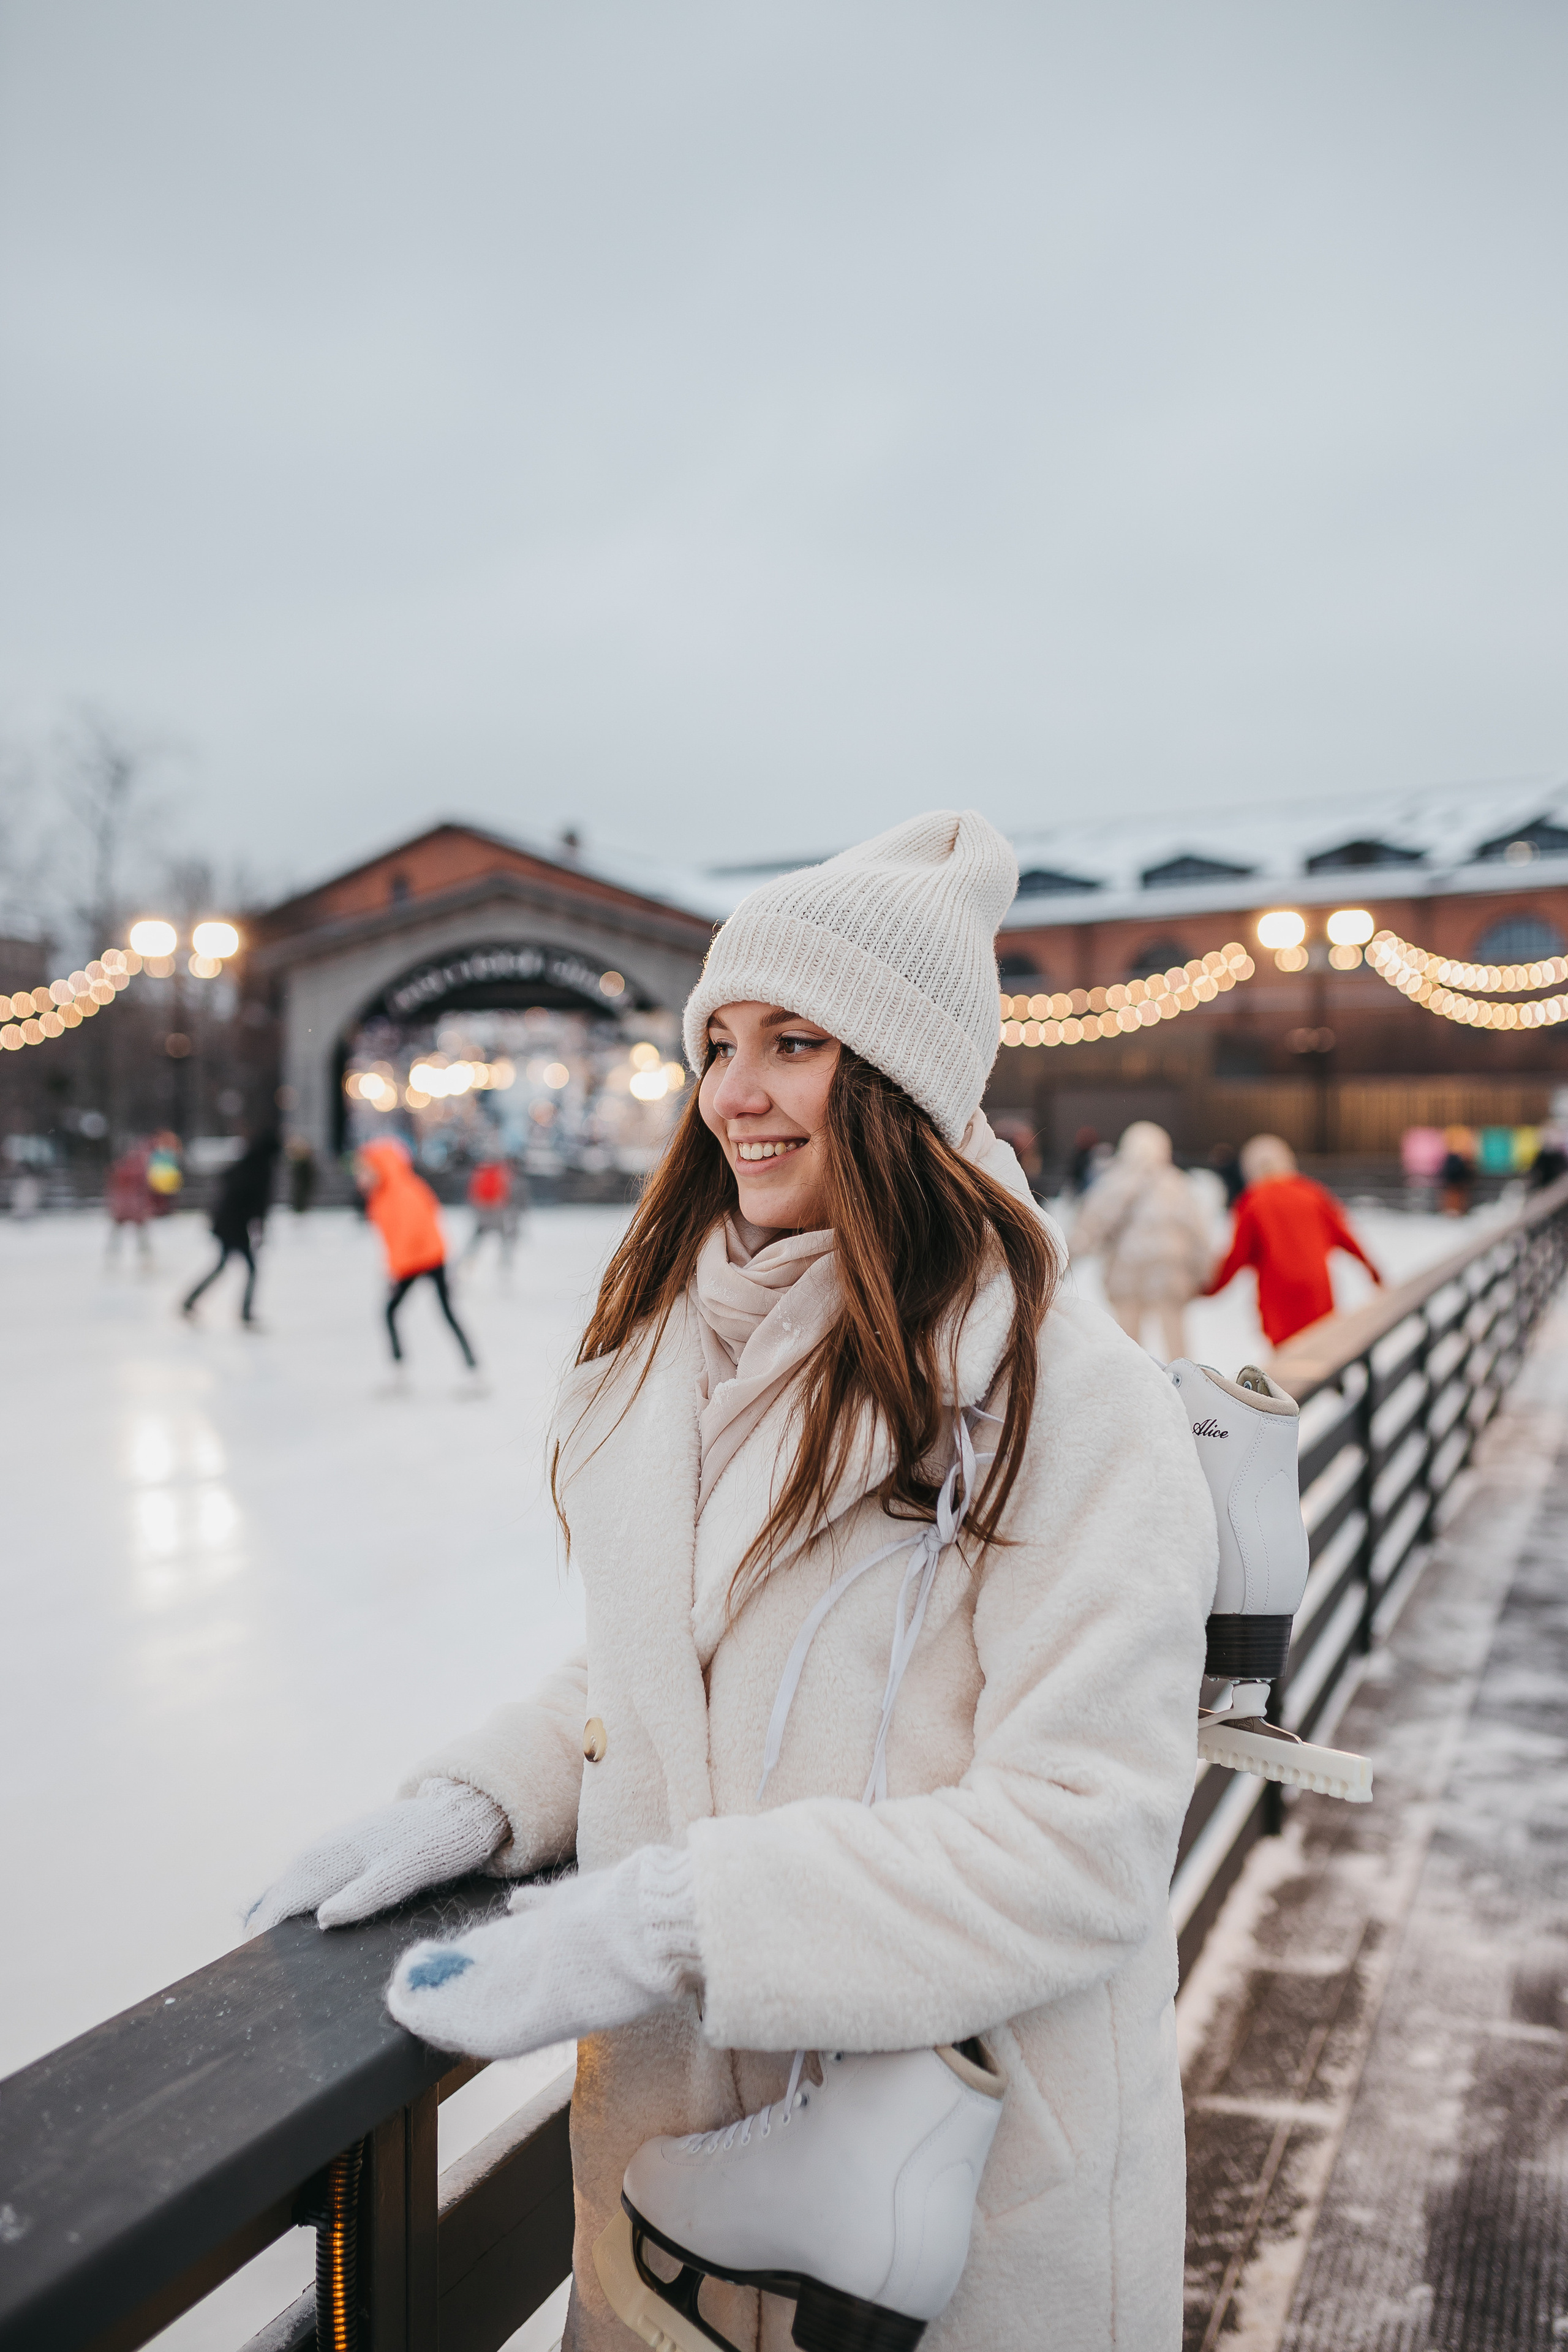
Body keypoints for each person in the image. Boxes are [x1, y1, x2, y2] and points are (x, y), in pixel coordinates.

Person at [247, 813, 1216, 2352]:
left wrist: (675, 1917)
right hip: (672, 2204)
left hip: (960, 2199)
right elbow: (659, 1657)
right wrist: (484, 1801)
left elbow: (1084, 1834)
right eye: (715, 1041)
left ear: (900, 1071)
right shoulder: (673, 1354)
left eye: (792, 1041)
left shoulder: (1061, 1396)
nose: (733, 1094)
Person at [1204, 1133, 1382, 1350]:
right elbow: (1346, 1236)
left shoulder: (1251, 1202)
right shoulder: (1313, 1193)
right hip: (1319, 1298)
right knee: (1323, 1355)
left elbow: (1237, 1256)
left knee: (1288, 1372)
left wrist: (1210, 1288)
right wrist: (1373, 1271)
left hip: (1280, 1307)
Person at [1069, 1119, 1215, 1362]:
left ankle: (1131, 1391)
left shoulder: (1115, 1182)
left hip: (1127, 1276)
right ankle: (1187, 1389)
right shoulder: (1177, 1184)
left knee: (1130, 1346)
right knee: (1176, 1345)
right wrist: (1203, 1271)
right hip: (1170, 1276)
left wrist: (1066, 1258)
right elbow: (1197, 1232)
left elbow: (1091, 1225)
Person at [357, 1136, 479, 1380]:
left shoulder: (402, 1193)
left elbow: (411, 1233)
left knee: (440, 1313)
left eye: (365, 1170)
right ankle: (401, 1368)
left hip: (427, 1259)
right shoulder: (382, 1196)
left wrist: (395, 1271)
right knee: (397, 1312)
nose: (361, 1176)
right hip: (413, 1261)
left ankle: (471, 1370)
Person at [181, 1133, 281, 1326]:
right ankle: (244, 1313)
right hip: (234, 1226)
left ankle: (190, 1301)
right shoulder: (261, 1170)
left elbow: (226, 1180)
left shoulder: (247, 1163)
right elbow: (258, 1204)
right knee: (248, 1269)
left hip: (227, 1223)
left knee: (222, 1267)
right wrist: (259, 1228)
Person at [462, 1152, 524, 1267]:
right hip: (496, 1209)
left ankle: (469, 1260)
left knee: (478, 1236)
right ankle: (506, 1263)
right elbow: (508, 1190)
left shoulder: (480, 1170)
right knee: (503, 1236)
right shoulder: (502, 1170)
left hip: (483, 1209)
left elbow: (472, 1192)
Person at [105, 1141, 156, 1262]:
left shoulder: (119, 1168)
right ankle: (144, 1252)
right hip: (134, 1206)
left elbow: (113, 1187)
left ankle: (115, 1251)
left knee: (123, 1230)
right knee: (139, 1230)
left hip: (124, 1206)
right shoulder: (138, 1169)